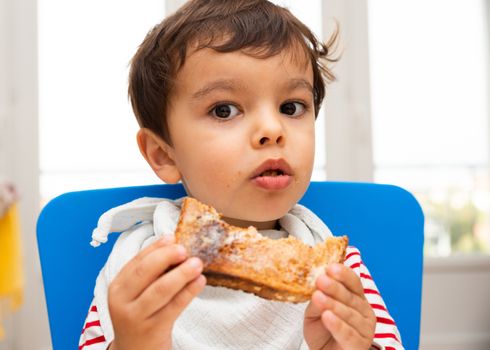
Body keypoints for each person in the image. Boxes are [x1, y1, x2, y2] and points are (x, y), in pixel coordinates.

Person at [79, 0, 403, 349]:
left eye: (291, 107)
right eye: (224, 110)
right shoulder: (139, 273)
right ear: (163, 154)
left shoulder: (340, 271)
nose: (271, 129)